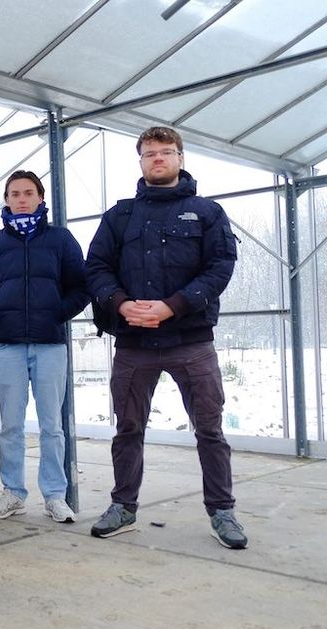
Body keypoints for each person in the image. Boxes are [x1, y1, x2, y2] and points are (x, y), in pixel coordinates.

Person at [85, 126, 246, 549]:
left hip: (191, 341)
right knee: (128, 428)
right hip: (134, 344)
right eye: (150, 153)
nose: (158, 158)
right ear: (140, 161)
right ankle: (123, 506)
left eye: (166, 152)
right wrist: (120, 304)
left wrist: (173, 305)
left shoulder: (207, 212)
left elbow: (220, 266)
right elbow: (96, 267)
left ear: (180, 158)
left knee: (209, 429)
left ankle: (222, 511)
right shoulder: (119, 216)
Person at [0, 170, 90, 524]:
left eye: (28, 193)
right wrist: (0, 309)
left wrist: (57, 312)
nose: (22, 199)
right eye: (15, 194)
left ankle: (55, 495)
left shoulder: (61, 240)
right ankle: (13, 492)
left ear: (40, 198)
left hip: (50, 344)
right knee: (11, 425)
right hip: (8, 346)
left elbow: (80, 288)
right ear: (6, 200)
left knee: (52, 425)